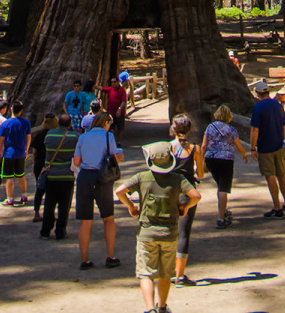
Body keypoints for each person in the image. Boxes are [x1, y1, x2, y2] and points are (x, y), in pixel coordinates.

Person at [116, 142, 200, 313]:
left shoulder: (142, 177)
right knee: (165, 272)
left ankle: (149, 309)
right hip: (169, 233)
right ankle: (162, 306)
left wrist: (131, 206)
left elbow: (119, 191)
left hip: (147, 233)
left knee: (146, 273)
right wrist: (185, 207)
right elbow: (196, 196)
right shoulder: (178, 179)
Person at [73, 110, 122, 270]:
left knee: (85, 222)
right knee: (108, 219)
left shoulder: (83, 137)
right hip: (103, 178)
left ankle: (85, 259)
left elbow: (77, 161)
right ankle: (110, 256)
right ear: (106, 122)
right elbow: (115, 156)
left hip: (85, 177)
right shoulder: (109, 137)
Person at [168, 114, 205, 287]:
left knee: (168, 231)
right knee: (184, 233)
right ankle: (180, 275)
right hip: (188, 193)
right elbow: (201, 174)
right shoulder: (195, 149)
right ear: (189, 130)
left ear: (173, 128)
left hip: (169, 191)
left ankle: (166, 271)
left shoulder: (168, 148)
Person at [201, 103, 250, 227]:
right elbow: (239, 145)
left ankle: (223, 210)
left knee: (220, 185)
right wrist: (244, 154)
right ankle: (221, 218)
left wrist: (202, 161)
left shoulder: (210, 127)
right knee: (223, 188)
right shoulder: (231, 129)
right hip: (225, 159)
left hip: (211, 158)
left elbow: (203, 146)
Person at [249, 79, 285, 217]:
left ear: (257, 93)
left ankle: (277, 207)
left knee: (270, 175)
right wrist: (283, 140)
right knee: (281, 175)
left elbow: (255, 130)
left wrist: (253, 148)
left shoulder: (258, 108)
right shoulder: (277, 105)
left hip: (265, 146)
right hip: (279, 144)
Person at [39, 114, 78, 240]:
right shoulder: (74, 137)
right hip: (67, 175)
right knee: (64, 205)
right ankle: (60, 231)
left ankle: (45, 231)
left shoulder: (49, 135)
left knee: (49, 204)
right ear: (70, 124)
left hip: (51, 175)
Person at [0, 99, 32, 206]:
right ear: (21, 111)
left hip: (8, 154)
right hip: (21, 153)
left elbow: (0, 139)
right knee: (21, 175)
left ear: (11, 109)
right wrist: (26, 149)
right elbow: (28, 137)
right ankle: (24, 195)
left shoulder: (6, 123)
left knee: (9, 177)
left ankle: (10, 199)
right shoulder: (26, 123)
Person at [30, 114, 58, 222]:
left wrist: (34, 164)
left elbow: (34, 152)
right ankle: (51, 213)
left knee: (39, 189)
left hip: (40, 165)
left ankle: (37, 213)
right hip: (52, 165)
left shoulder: (39, 135)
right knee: (52, 191)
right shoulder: (55, 136)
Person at [100, 76, 128, 141]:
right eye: (112, 82)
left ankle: (119, 142)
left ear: (118, 82)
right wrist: (94, 86)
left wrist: (120, 108)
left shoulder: (122, 91)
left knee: (120, 128)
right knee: (111, 127)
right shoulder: (111, 89)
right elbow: (102, 88)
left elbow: (124, 101)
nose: (113, 83)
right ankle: (112, 141)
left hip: (119, 113)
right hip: (111, 113)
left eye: (114, 82)